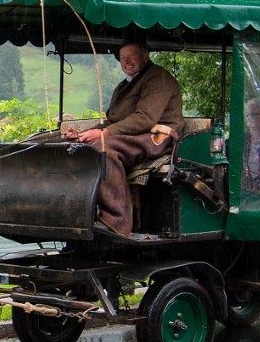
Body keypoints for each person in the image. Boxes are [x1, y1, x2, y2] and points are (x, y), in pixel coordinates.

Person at [66, 35, 184, 235]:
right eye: (122, 58)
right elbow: (112, 119)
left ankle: (116, 222)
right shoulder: (124, 86)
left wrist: (104, 134)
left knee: (104, 149)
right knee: (75, 146)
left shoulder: (158, 78)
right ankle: (80, 212)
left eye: (132, 56)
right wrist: (83, 134)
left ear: (145, 56)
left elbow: (145, 119)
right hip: (133, 135)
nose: (126, 62)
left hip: (157, 136)